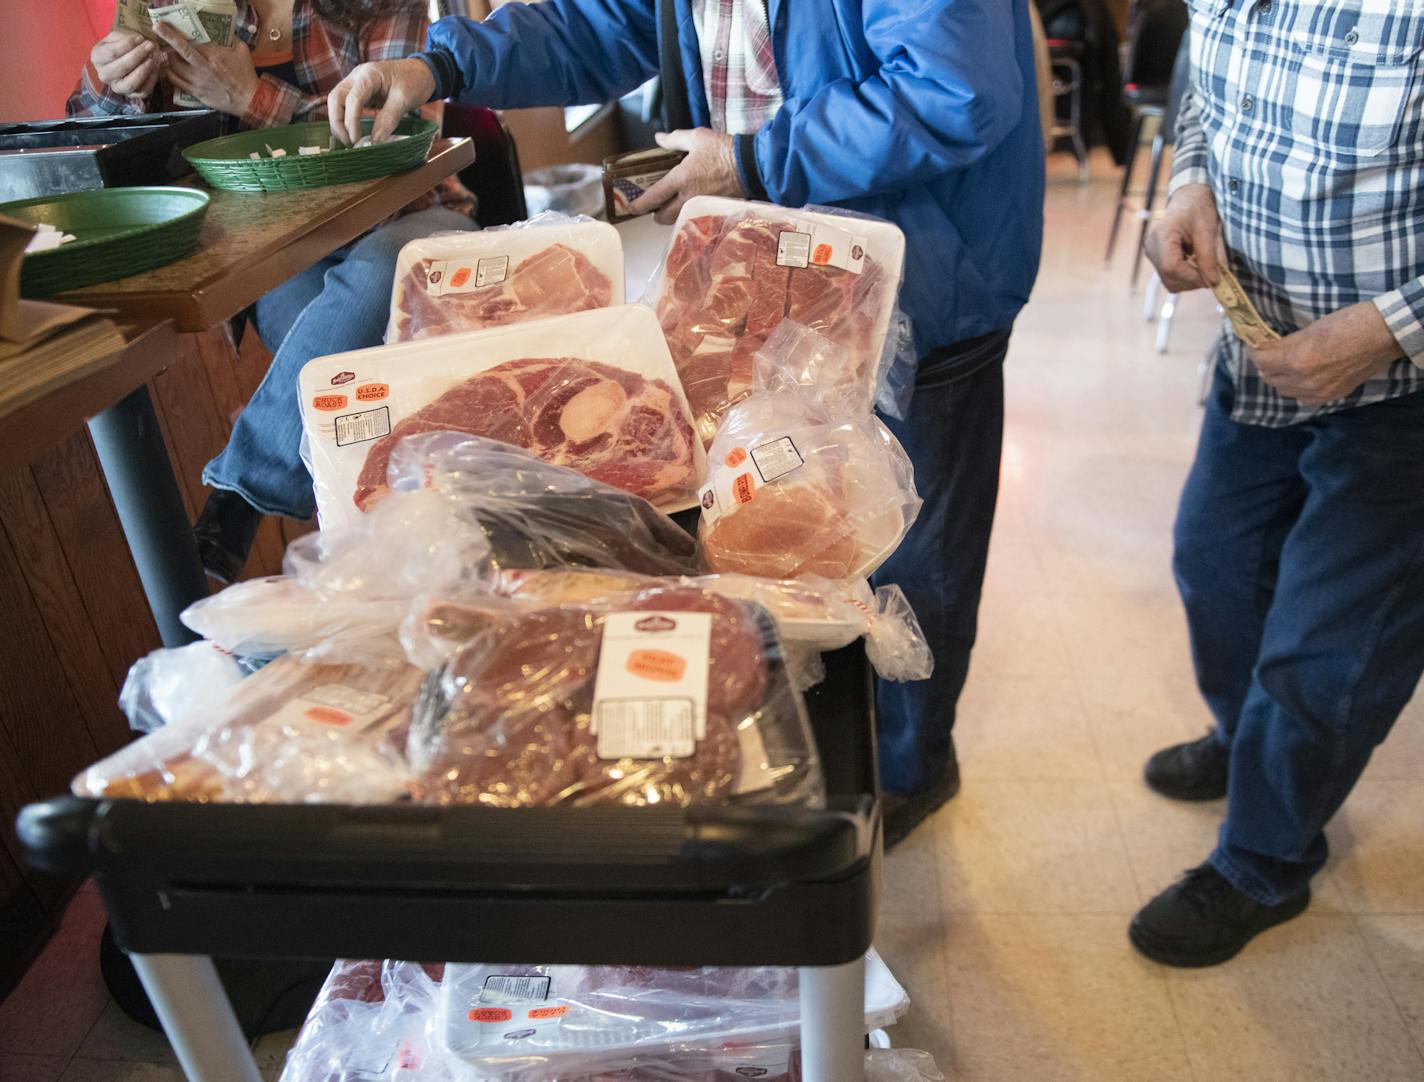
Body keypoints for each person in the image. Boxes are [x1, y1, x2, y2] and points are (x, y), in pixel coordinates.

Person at [329, 0, 1044, 845]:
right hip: (754, 259)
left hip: (919, 276)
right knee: (774, 518)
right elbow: (601, 21)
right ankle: (815, 746)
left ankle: (911, 767)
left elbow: (953, 91)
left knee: (915, 547)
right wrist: (439, 66)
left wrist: (754, 159)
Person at [1134, 2, 1424, 967]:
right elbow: (1209, 103)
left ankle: (1267, 856)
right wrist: (1185, 186)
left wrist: (1388, 328)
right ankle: (1246, 735)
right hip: (1262, 351)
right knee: (1214, 563)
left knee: (1326, 647)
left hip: (1403, 383)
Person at [71, 0, 476, 582]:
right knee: (354, 396)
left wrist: (249, 100)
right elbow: (84, 139)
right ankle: (397, 591)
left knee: (383, 274)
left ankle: (243, 493)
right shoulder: (170, 7)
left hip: (414, 223)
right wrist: (113, 85)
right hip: (287, 256)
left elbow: (396, 140)